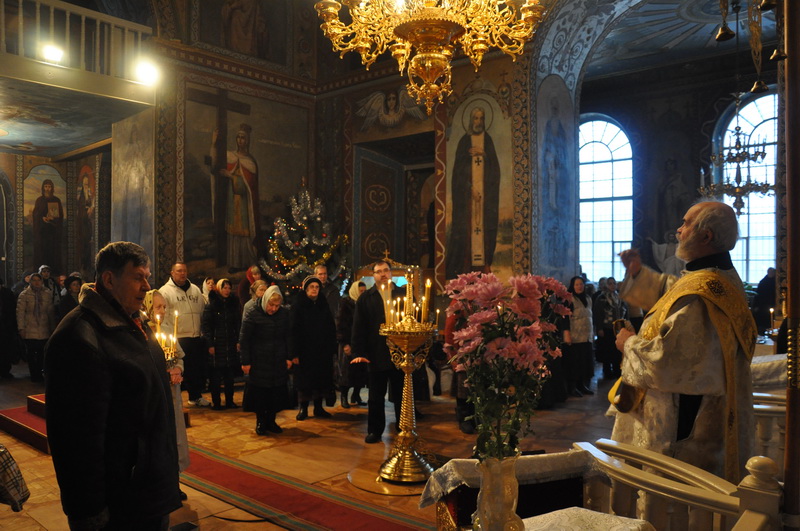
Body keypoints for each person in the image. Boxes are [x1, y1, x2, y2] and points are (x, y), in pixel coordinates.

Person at [613, 201, 756, 484]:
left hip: (682, 419)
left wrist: (628, 343)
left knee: (672, 497)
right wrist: (638, 273)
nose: (678, 230)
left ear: (706, 236)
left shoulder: (702, 292)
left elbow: (667, 363)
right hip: (705, 406)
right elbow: (672, 293)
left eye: (686, 223)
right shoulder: (719, 278)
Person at [44, 241, 181, 530]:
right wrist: (88, 509)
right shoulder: (79, 336)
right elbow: (76, 438)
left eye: (147, 276)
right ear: (108, 279)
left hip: (148, 487)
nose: (147, 286)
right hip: (120, 498)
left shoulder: (135, 323)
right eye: (137, 277)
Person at [142, 289, 190, 498]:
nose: (162, 311)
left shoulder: (169, 328)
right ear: (148, 308)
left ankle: (175, 483)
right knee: (159, 438)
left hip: (172, 391)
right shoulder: (142, 332)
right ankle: (159, 486)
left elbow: (177, 356)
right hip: (155, 394)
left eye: (164, 307)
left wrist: (178, 369)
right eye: (158, 307)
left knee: (175, 436)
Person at [352, 260, 405, 443]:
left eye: (386, 270)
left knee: (401, 394)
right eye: (378, 271)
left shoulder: (403, 294)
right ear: (373, 275)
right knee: (375, 396)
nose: (383, 274)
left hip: (400, 352)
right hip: (376, 353)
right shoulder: (366, 298)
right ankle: (375, 431)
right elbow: (358, 328)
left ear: (391, 273)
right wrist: (359, 352)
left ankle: (403, 428)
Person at [447, 106, 501, 278]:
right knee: (467, 229)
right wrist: (469, 188)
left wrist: (484, 154)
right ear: (471, 120)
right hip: (468, 198)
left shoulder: (488, 140)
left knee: (483, 227)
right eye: (476, 118)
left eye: (481, 118)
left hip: (485, 199)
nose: (478, 122)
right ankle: (466, 267)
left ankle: (484, 265)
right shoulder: (464, 141)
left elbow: (495, 170)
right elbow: (457, 173)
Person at [240, 285, 292, 435]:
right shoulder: (252, 313)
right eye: (271, 305)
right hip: (258, 360)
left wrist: (289, 356)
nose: (273, 309)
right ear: (265, 301)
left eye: (277, 306)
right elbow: (244, 340)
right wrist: (245, 361)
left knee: (275, 394)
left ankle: (271, 421)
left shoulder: (283, 315)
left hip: (278, 359)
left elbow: (288, 336)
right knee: (261, 394)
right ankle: (261, 422)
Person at [210, 124, 261, 269]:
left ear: (248, 140)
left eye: (243, 138)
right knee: (232, 231)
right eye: (238, 137)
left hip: (245, 203)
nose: (240, 140)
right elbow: (215, 165)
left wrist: (231, 177)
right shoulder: (230, 156)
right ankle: (234, 263)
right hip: (231, 201)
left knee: (244, 232)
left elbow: (249, 188)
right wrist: (214, 144)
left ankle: (247, 263)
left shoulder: (250, 163)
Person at [160, 262, 210, 407]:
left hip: (195, 336)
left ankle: (195, 396)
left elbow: (201, 310)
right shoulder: (165, 292)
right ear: (172, 273)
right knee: (179, 369)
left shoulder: (194, 289)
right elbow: (165, 316)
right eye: (179, 271)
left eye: (184, 271)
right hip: (179, 337)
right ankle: (176, 401)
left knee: (196, 369)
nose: (183, 273)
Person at [290, 276, 337, 420]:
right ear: (305, 289)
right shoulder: (298, 304)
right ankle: (303, 409)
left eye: (317, 287)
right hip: (305, 351)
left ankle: (318, 407)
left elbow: (330, 327)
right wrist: (294, 353)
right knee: (305, 382)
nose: (314, 290)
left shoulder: (323, 303)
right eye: (311, 287)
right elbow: (293, 330)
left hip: (322, 351)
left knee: (320, 380)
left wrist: (332, 348)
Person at [201, 278, 241, 410]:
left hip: (230, 343)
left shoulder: (233, 304)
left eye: (229, 288)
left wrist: (237, 341)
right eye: (224, 288)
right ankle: (216, 402)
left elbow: (237, 324)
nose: (227, 290)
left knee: (229, 376)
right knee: (216, 377)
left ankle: (229, 401)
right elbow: (206, 327)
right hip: (217, 344)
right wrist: (210, 344)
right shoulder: (212, 304)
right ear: (219, 289)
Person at [16, 272, 55, 382]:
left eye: (39, 280)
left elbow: (50, 312)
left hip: (43, 327)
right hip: (30, 327)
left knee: (42, 352)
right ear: (30, 281)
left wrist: (52, 327)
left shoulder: (47, 293)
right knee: (32, 352)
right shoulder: (24, 294)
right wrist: (21, 328)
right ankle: (34, 373)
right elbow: (20, 312)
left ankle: (40, 372)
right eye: (34, 280)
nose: (37, 283)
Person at [335, 280, 368, 408]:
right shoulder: (345, 304)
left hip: (360, 343)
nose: (363, 293)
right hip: (347, 342)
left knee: (360, 371)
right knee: (346, 372)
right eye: (361, 291)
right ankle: (344, 397)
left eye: (365, 291)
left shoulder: (364, 303)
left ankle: (356, 395)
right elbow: (340, 324)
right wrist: (344, 343)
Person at [563, 276, 595, 396]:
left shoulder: (588, 298)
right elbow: (565, 317)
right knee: (575, 363)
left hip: (587, 335)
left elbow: (591, 316)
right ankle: (573, 388)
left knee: (585, 362)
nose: (579, 286)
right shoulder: (569, 299)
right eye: (576, 284)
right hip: (575, 336)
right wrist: (566, 333)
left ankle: (582, 386)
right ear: (572, 286)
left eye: (581, 284)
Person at [593, 276, 626, 378]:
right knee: (607, 349)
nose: (612, 285)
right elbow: (597, 313)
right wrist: (599, 328)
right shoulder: (601, 298)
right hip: (606, 328)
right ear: (606, 285)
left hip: (618, 328)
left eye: (614, 283)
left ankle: (617, 369)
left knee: (617, 349)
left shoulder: (619, 297)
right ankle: (607, 371)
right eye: (610, 283)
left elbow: (625, 311)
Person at [32, 179, 64, 273]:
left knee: (52, 252)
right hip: (42, 232)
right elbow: (35, 214)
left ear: (52, 188)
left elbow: (60, 216)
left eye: (49, 187)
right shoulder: (39, 200)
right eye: (46, 186)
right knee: (42, 252)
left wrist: (52, 219)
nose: (47, 189)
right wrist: (42, 218)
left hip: (52, 232)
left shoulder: (56, 200)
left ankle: (54, 271)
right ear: (43, 188)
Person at [0, 277, 21, 378]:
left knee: (5, 349)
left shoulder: (7, 293)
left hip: (6, 326)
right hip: (6, 325)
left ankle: (5, 371)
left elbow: (12, 309)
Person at [752, 267, 777, 334]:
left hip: (772, 304)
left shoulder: (776, 282)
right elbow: (758, 295)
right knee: (762, 324)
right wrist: (756, 306)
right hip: (762, 306)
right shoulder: (763, 282)